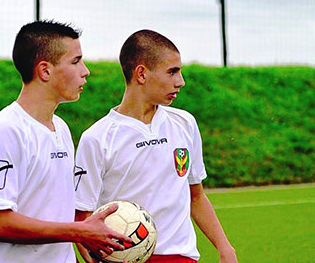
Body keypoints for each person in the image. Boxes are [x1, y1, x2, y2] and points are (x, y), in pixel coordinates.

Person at [0, 20, 130, 263]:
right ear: (45, 71)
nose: (85, 71)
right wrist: (80, 231)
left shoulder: (61, 129)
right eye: (75, 62)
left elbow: (58, 215)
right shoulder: (4, 131)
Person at [74, 30, 238, 263]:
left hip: (182, 257)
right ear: (141, 73)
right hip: (125, 259)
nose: (180, 81)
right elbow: (82, 217)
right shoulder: (98, 138)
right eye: (172, 72)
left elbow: (196, 196)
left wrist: (225, 248)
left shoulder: (184, 123)